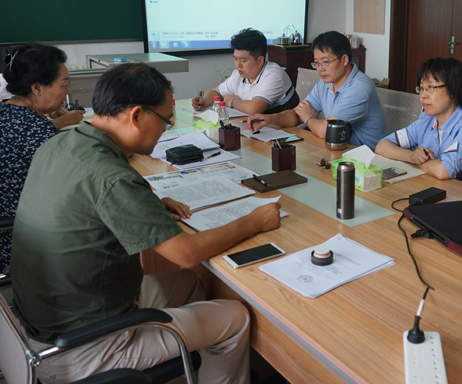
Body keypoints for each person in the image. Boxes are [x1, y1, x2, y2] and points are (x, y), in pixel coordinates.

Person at [11, 63, 281, 383]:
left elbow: (89, 199)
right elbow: (187, 253)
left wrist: (145, 204)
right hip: (80, 346)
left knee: (190, 284)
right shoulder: (112, 177)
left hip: (46, 316)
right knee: (235, 317)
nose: (165, 129)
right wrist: (254, 221)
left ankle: (201, 360)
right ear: (137, 115)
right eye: (166, 121)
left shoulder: (63, 142)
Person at [0, 43, 84, 271]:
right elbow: (73, 187)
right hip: (19, 236)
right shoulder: (35, 129)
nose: (68, 92)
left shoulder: (6, 109)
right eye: (64, 84)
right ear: (37, 88)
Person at [375, 57, 462, 193]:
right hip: (441, 191)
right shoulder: (427, 119)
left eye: (431, 87)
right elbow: (382, 146)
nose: (423, 95)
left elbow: (444, 170)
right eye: (421, 88)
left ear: (453, 90)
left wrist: (418, 162)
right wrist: (411, 156)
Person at [248, 31, 388, 150]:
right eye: (317, 63)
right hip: (338, 151)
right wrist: (270, 119)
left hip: (367, 160)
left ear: (344, 59)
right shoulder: (325, 83)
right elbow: (298, 114)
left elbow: (325, 131)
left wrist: (309, 118)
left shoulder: (360, 88)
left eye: (325, 62)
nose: (320, 69)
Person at [192, 28, 299, 115]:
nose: (238, 65)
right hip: (254, 126)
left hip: (282, 130)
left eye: (243, 60)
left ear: (260, 60)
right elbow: (215, 92)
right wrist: (204, 101)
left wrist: (231, 101)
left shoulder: (273, 75)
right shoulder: (238, 75)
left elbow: (254, 109)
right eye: (235, 59)